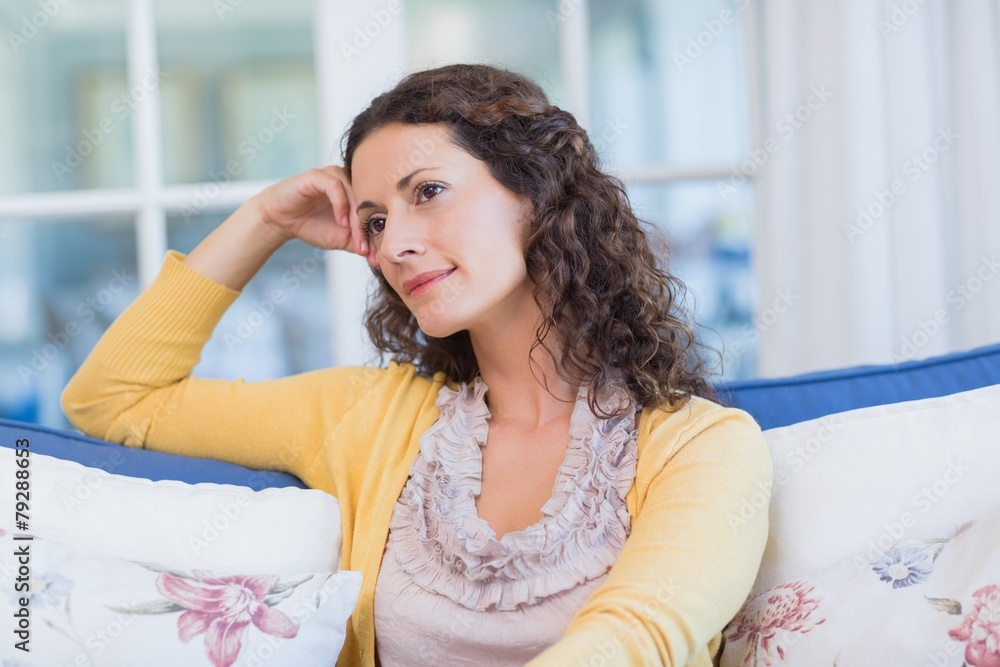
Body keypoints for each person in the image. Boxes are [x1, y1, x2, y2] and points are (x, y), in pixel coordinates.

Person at [61, 63, 772, 667]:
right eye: (372, 221)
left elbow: (635, 639)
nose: (393, 243)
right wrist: (263, 221)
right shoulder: (368, 417)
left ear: (539, 191)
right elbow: (115, 398)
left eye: (426, 192)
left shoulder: (704, 447)